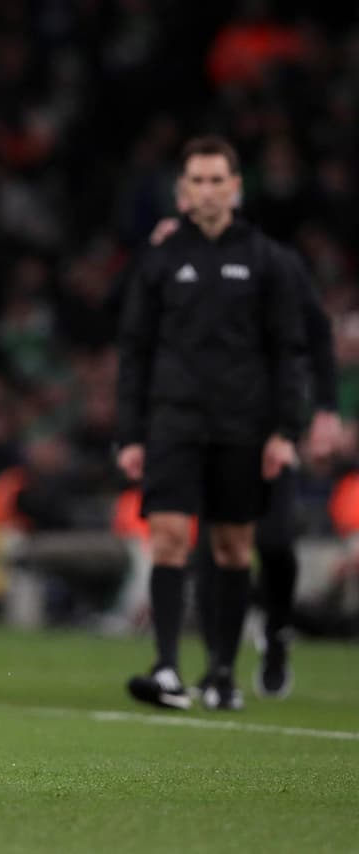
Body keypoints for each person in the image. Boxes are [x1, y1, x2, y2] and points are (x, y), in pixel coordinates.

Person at [117, 134, 307, 712]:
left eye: (215, 179)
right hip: (173, 421)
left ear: (235, 187)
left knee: (231, 548)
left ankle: (222, 672)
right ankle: (168, 668)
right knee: (170, 539)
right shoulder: (161, 259)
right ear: (181, 191)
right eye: (195, 180)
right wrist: (130, 432)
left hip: (242, 426)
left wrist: (284, 430)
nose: (205, 190)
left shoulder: (266, 260)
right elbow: (135, 349)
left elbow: (287, 350)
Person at [148, 194, 342, 702]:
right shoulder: (183, 264)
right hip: (216, 428)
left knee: (274, 541)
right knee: (219, 545)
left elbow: (315, 337)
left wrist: (322, 410)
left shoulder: (275, 265)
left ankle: (277, 633)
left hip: (271, 425)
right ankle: (219, 666)